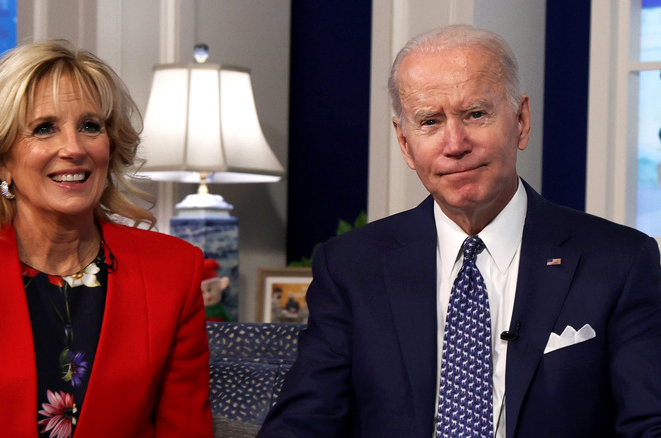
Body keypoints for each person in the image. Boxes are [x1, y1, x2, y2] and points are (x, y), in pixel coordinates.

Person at [259, 25, 661, 437]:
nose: (455, 144)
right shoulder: (351, 266)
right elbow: (301, 424)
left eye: (475, 114)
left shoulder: (619, 261)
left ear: (521, 121)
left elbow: (650, 423)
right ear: (404, 142)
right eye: (430, 122)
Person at [0, 40, 213, 437]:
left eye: (90, 126)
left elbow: (185, 429)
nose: (73, 148)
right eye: (44, 129)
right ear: (3, 160)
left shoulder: (174, 271)